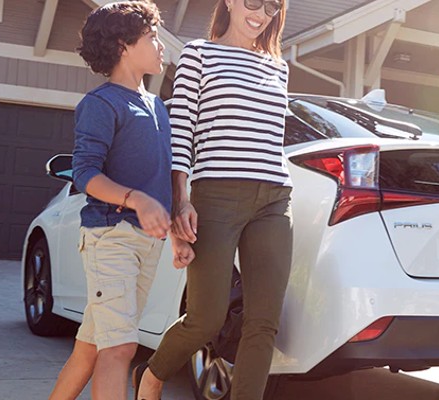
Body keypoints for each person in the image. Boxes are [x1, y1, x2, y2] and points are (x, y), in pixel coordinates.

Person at [135, 0, 292, 399]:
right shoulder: (198, 54)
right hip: (216, 196)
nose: (260, 13)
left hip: (274, 199)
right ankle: (152, 376)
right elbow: (181, 131)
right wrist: (179, 201)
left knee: (263, 324)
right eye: (253, 2)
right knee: (206, 319)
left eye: (272, 6)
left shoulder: (278, 65)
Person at [47, 2, 181, 399]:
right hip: (112, 237)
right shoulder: (101, 104)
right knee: (119, 348)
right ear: (123, 45)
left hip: (145, 244)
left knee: (91, 347)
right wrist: (135, 199)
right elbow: (86, 173)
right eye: (152, 37)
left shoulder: (157, 106)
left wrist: (175, 230)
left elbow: (160, 178)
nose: (161, 47)